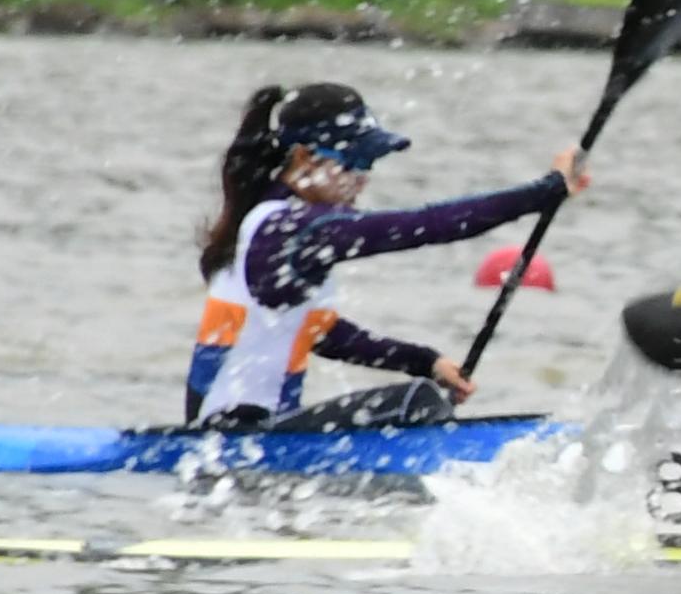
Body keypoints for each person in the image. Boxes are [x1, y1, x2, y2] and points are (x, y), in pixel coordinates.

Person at [188, 83, 584, 429]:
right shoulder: (296, 229)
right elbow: (428, 224)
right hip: (237, 432)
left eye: (370, 163)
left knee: (423, 390)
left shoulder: (265, 220)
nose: (363, 176)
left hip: (243, 432)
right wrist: (545, 190)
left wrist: (423, 361)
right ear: (305, 157)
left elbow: (322, 334)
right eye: (355, 161)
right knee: (419, 403)